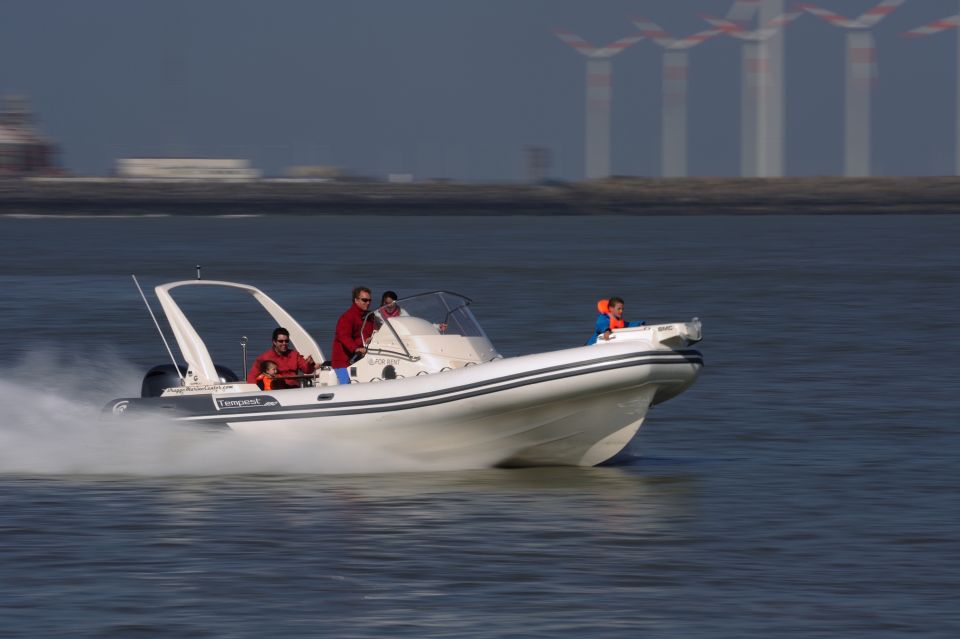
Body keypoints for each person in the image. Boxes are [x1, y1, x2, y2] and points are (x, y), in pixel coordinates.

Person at [331, 286, 376, 384]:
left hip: (363, 358)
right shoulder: (347, 317)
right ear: (356, 300)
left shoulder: (370, 317)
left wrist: (373, 339)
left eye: (369, 300)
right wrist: (356, 348)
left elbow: (374, 332)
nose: (368, 303)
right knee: (346, 385)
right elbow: (343, 336)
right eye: (364, 300)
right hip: (344, 361)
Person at [246, 327, 317, 388]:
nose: (284, 344)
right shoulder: (265, 357)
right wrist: (254, 392)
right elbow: (252, 376)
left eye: (286, 341)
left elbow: (307, 371)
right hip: (276, 390)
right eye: (281, 341)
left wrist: (310, 364)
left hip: (295, 389)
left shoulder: (294, 355)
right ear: (274, 342)